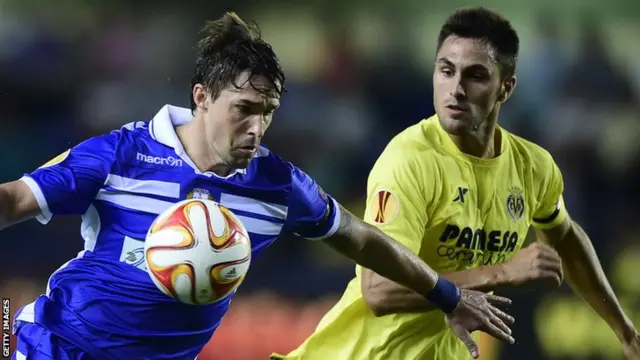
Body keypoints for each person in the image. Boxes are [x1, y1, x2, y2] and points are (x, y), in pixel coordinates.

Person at [0, 12, 515, 360]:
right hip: (51, 346)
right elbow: (15, 199)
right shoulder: (122, 154)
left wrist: (446, 294)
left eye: (266, 114)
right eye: (243, 110)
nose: (256, 129)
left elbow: (362, 238)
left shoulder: (277, 186)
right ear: (201, 97)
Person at [274, 7, 640, 360]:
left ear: (505, 88)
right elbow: (380, 289)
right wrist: (501, 272)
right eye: (446, 71)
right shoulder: (410, 160)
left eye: (476, 75)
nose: (456, 89)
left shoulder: (532, 166)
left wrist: (624, 330)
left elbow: (566, 238)